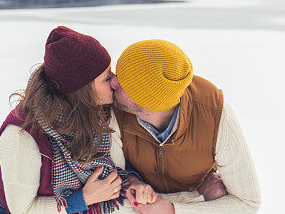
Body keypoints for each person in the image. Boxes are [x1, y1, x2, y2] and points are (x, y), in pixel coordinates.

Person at [0, 26, 155, 214]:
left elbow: (116, 166)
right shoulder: (22, 137)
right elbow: (23, 210)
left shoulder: (101, 111)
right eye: (106, 77)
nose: (115, 82)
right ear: (82, 90)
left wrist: (133, 183)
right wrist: (84, 199)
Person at [108, 39, 261, 214]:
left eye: (124, 83)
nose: (112, 82)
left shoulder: (213, 113)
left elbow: (247, 203)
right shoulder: (112, 112)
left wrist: (172, 210)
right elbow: (112, 205)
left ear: (149, 100)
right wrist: (198, 198)